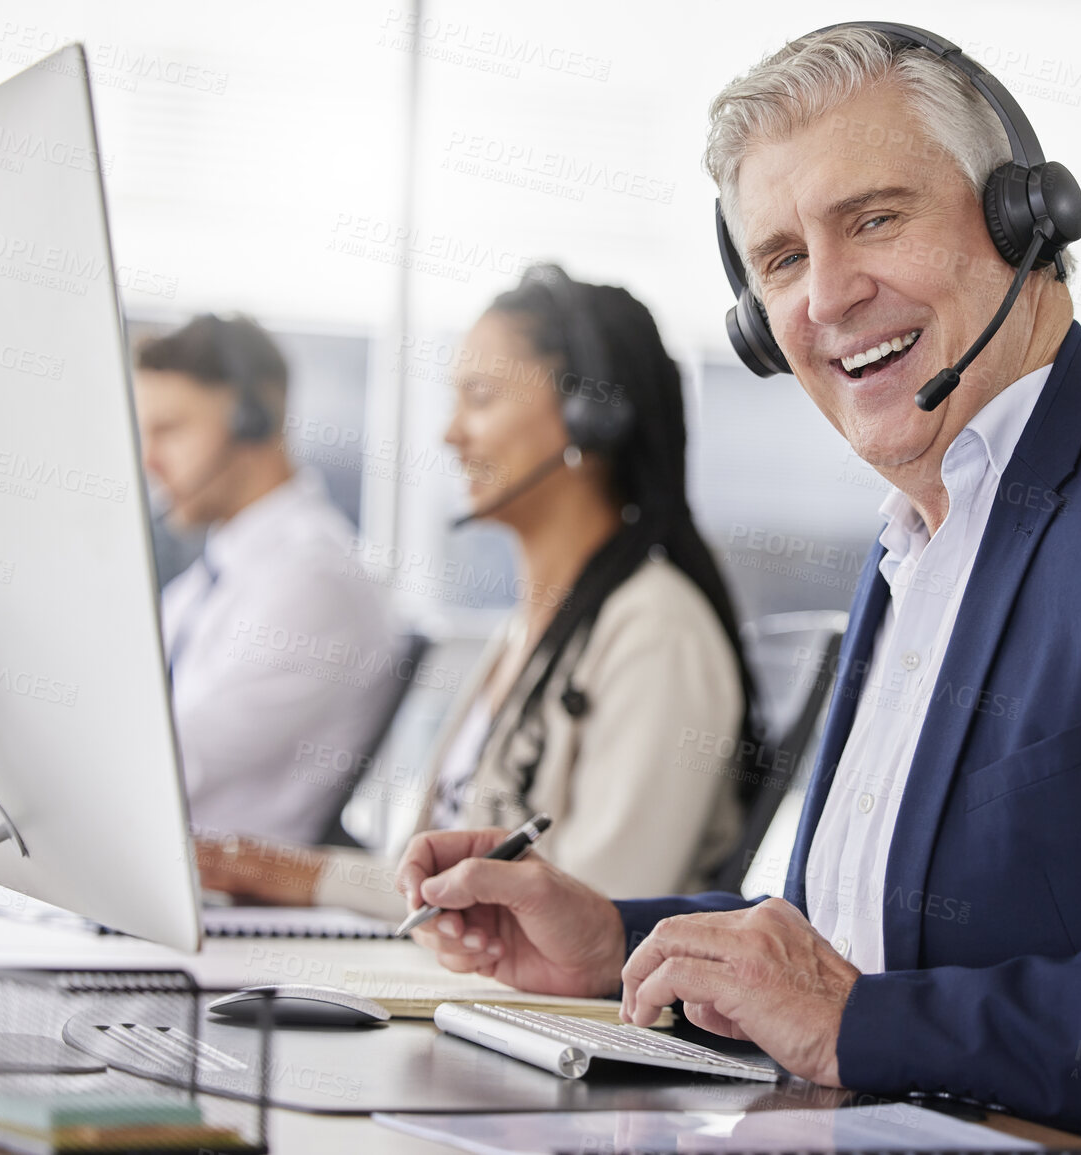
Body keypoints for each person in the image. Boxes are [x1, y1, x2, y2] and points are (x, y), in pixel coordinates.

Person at [396, 26, 1081, 1154]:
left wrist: (859, 1026)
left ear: (1025, 218)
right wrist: (615, 940)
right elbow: (874, 946)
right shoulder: (923, 537)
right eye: (780, 261)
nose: (827, 295)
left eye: (875, 219)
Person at [197, 268, 754, 914]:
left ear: (589, 417)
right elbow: (424, 880)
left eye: (481, 397)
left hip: (545, 1009)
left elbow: (602, 912)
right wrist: (281, 870)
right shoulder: (524, 630)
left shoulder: (656, 630)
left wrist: (304, 876)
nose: (449, 433)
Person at [134, 314, 400, 845]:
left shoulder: (312, 579)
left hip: (233, 899)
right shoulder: (211, 577)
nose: (150, 461)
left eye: (170, 430)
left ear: (254, 418)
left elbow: (164, 765)